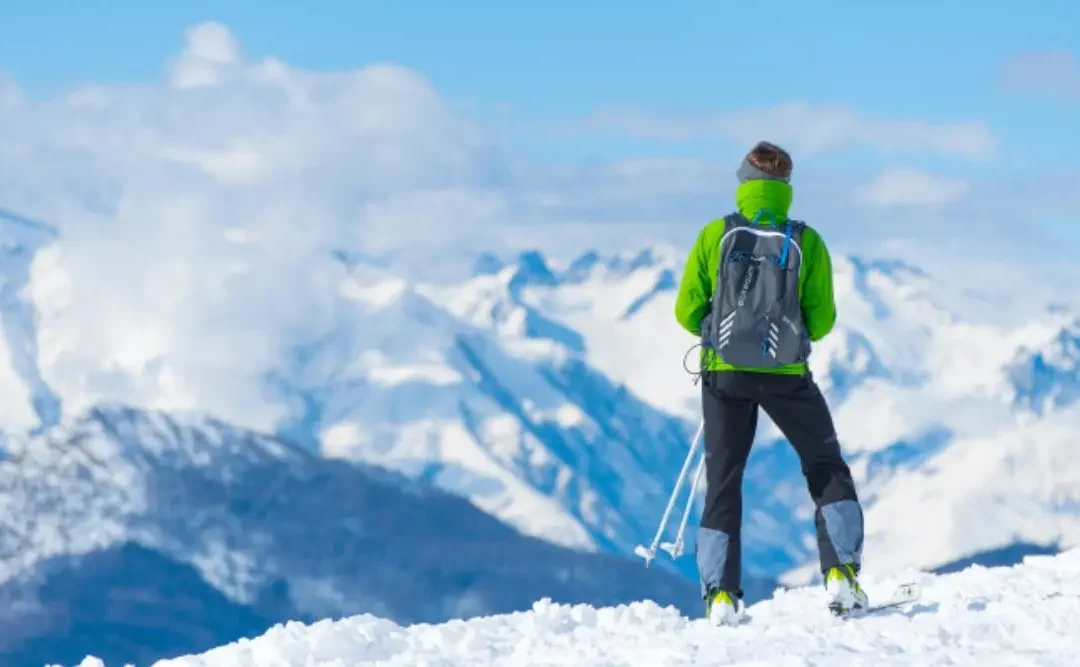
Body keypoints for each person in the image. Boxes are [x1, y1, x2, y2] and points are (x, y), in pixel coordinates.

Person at [673, 141, 867, 625]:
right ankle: (841, 573)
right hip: (786, 375)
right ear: (787, 187)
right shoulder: (807, 240)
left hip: (725, 373)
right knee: (824, 464)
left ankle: (720, 595)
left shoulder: (715, 235)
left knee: (724, 478)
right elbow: (821, 322)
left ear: (743, 183)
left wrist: (718, 332)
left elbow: (685, 310)